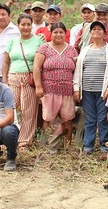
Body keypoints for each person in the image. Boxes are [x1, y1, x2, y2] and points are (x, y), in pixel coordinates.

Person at [73, 21, 108, 158]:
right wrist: (76, 88)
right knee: (90, 119)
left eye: (100, 29)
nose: (96, 31)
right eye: (94, 29)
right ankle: (88, 146)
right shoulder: (86, 50)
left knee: (103, 118)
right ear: (90, 33)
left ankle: (105, 146)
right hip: (87, 90)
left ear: (104, 33)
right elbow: (78, 70)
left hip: (102, 90)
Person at [33, 22, 78, 153]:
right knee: (48, 119)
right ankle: (48, 146)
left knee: (67, 119)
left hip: (67, 91)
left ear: (65, 34)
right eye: (55, 32)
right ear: (51, 34)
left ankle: (67, 146)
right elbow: (36, 67)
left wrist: (76, 89)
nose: (58, 35)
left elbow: (76, 70)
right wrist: (38, 86)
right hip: (49, 90)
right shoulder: (44, 48)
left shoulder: (71, 49)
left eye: (61, 32)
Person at [2, 14, 42, 148]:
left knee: (28, 111)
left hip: (29, 78)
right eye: (23, 24)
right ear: (18, 25)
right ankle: (7, 138)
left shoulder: (38, 41)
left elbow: (41, 63)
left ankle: (24, 141)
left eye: (28, 24)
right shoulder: (12, 41)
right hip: (13, 77)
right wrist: (5, 80)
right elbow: (6, 62)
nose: (26, 27)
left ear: (32, 26)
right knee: (10, 109)